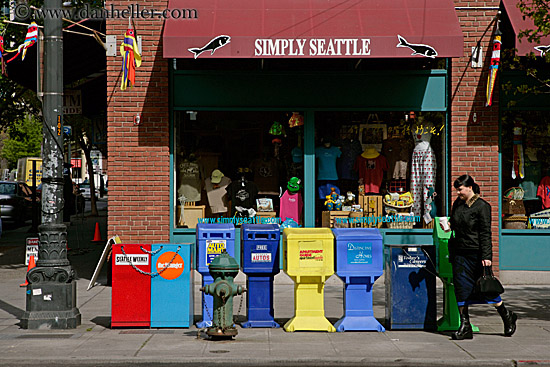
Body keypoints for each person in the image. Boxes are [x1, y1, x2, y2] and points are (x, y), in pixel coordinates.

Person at [444, 174, 517, 340]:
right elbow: (454, 223)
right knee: (461, 289)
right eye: (457, 190)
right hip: (459, 253)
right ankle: (465, 326)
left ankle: (507, 315)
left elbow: (485, 232)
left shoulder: (482, 206)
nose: (458, 193)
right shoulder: (457, 204)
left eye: (460, 189)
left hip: (476, 253)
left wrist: (487, 256)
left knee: (486, 289)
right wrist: (448, 225)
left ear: (470, 187)